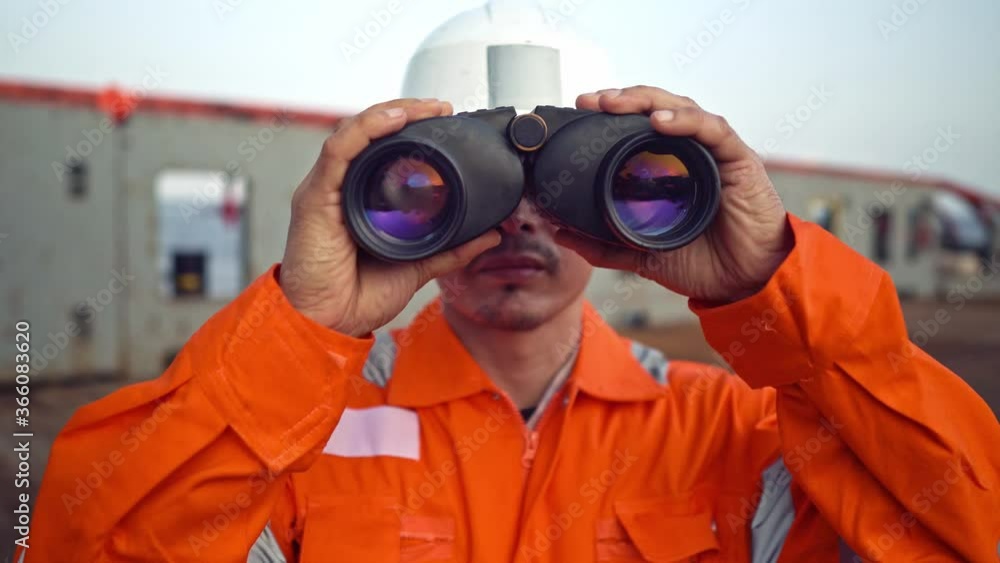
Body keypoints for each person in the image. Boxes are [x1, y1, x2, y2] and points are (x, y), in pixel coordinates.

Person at [19, 87, 999, 562]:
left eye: (565, 184)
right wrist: (304, 326)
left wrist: (779, 294)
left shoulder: (733, 429)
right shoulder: (292, 430)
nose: (520, 220)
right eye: (446, 184)